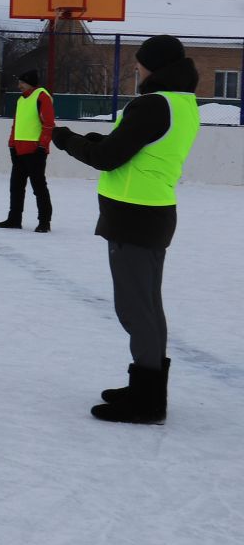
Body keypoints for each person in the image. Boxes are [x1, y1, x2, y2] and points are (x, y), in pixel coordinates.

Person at [50, 35, 201, 425]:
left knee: (135, 309)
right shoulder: (181, 103)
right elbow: (133, 147)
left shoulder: (152, 104)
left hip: (134, 216)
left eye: (140, 63)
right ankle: (146, 388)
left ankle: (147, 400)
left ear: (155, 66)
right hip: (153, 212)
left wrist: (67, 140)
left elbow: (107, 157)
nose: (136, 69)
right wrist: (100, 141)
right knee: (148, 305)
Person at [0, 69, 55, 231]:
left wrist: (43, 146)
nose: (19, 85)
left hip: (35, 151)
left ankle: (44, 222)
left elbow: (49, 124)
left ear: (29, 83)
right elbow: (16, 125)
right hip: (18, 150)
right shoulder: (21, 100)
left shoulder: (42, 96)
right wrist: (11, 144)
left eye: (22, 82)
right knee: (16, 186)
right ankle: (14, 219)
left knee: (38, 187)